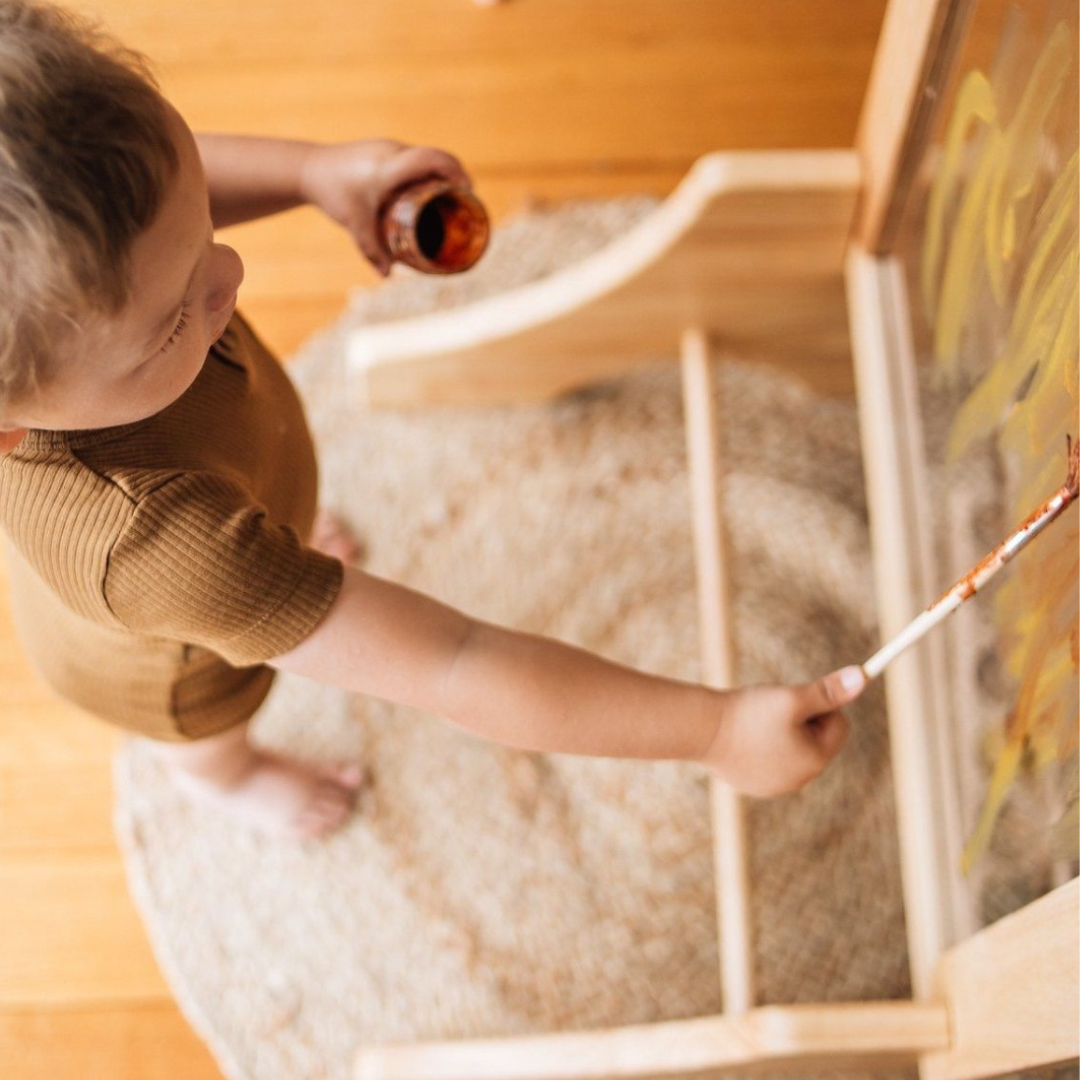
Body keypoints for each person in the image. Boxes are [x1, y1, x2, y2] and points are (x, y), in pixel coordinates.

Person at [0, 0, 866, 840]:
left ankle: (278, 541)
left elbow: (166, 190)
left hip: (237, 492)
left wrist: (311, 174)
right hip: (177, 669)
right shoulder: (161, 550)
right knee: (207, 728)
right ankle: (227, 784)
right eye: (173, 322)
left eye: (200, 228)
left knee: (258, 516)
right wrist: (715, 734)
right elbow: (455, 658)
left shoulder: (110, 272)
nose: (228, 272)